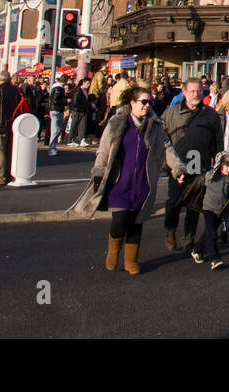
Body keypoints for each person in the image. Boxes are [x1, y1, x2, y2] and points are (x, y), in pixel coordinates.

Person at [72, 86, 186, 275]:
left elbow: (167, 149)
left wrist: (177, 168)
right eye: (143, 101)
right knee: (120, 219)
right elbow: (104, 149)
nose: (147, 105)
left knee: (136, 221)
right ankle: (114, 250)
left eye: (150, 102)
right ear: (132, 103)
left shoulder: (155, 126)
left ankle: (131, 260)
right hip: (120, 181)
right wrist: (98, 171)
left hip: (143, 181)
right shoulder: (118, 122)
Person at [161, 79, 223, 251]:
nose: (195, 94)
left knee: (194, 204)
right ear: (184, 91)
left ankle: (189, 237)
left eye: (199, 91)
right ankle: (170, 230)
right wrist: (168, 166)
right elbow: (161, 141)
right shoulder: (171, 113)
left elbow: (218, 142)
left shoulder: (210, 115)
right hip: (178, 165)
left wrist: (218, 164)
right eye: (192, 91)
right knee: (174, 202)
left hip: (201, 165)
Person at [191, 152, 229, 270]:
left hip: (220, 210)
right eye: (226, 165)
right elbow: (197, 185)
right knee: (212, 234)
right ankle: (215, 258)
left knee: (208, 231)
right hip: (208, 209)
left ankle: (196, 250)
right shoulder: (210, 176)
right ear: (219, 165)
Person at [47, 81, 67, 155]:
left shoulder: (56, 88)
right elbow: (55, 100)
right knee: (55, 130)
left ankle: (53, 147)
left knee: (56, 129)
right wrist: (65, 101)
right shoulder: (58, 89)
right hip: (56, 110)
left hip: (56, 110)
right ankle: (52, 148)